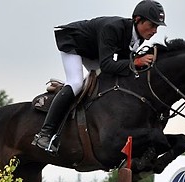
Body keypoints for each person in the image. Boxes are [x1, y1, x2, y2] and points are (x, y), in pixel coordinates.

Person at [32, 0, 166, 154]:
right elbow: (108, 65)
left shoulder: (139, 37)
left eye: (157, 26)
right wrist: (135, 62)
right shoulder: (113, 28)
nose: (155, 30)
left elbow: (121, 65)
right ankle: (45, 133)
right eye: (152, 25)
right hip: (74, 43)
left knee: (106, 82)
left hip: (94, 52)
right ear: (137, 19)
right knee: (76, 83)